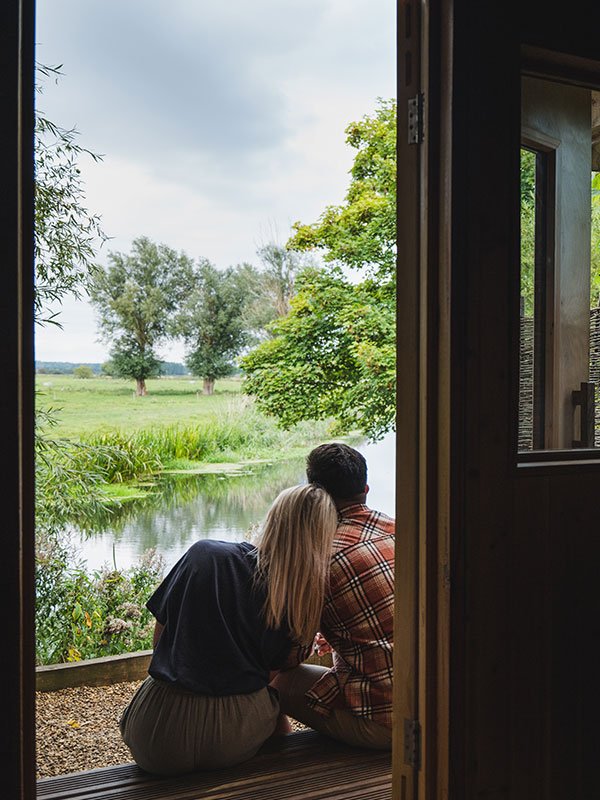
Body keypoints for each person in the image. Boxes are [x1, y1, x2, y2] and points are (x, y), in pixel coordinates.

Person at [119, 483, 338, 775]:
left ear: (272, 518)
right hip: (233, 738)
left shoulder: (204, 553)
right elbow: (272, 675)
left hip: (157, 736)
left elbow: (160, 639)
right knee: (274, 707)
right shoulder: (299, 598)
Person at [271, 442, 394, 750]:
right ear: (365, 488)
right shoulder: (404, 531)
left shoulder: (319, 557)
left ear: (315, 493)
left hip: (389, 724)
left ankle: (273, 766)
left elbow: (290, 655)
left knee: (276, 681)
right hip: (441, 706)